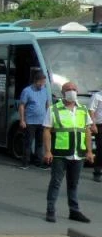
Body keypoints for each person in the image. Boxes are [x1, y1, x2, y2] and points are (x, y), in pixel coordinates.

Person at [43, 81, 93, 223]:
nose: (72, 91)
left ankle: (74, 211)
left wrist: (89, 151)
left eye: (74, 89)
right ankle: (51, 210)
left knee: (74, 184)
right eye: (68, 89)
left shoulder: (83, 109)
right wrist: (47, 151)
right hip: (60, 153)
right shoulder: (54, 109)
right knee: (56, 182)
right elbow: (46, 130)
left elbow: (87, 131)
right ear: (63, 93)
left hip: (78, 153)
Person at [18, 72, 50, 170]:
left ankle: (38, 162)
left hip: (42, 121)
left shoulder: (45, 90)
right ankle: (25, 163)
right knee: (28, 142)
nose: (42, 84)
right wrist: (22, 120)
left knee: (40, 143)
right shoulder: (27, 91)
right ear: (36, 81)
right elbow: (22, 105)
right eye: (41, 82)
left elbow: (48, 105)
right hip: (30, 121)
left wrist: (49, 119)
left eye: (44, 82)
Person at [90, 89, 102, 183]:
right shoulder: (97, 96)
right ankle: (97, 172)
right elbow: (91, 110)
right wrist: (93, 124)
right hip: (99, 125)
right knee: (100, 148)